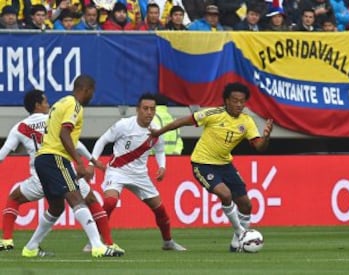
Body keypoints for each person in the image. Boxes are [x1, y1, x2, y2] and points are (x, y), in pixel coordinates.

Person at [150, 83, 273, 252]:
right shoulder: (212, 114)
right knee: (225, 194)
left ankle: (235, 244)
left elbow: (259, 146)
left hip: (225, 164)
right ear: (226, 101)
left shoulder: (247, 121)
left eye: (242, 101)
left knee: (246, 205)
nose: (238, 104)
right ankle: (241, 233)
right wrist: (159, 132)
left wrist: (266, 137)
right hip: (203, 163)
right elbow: (181, 121)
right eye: (235, 100)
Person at [0, 89, 121, 253]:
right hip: (60, 166)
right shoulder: (53, 119)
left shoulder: (20, 127)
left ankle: (12, 241)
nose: (48, 105)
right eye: (45, 102)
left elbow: (3, 154)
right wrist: (91, 161)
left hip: (40, 175)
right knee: (88, 200)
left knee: (25, 199)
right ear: (37, 105)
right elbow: (75, 144)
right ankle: (104, 244)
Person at [91, 93, 186, 251]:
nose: (149, 112)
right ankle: (94, 240)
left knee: (160, 210)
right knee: (109, 202)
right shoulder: (124, 125)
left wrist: (162, 166)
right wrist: (93, 160)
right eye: (145, 108)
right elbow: (103, 140)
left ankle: (168, 242)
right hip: (117, 171)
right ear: (138, 110)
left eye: (152, 109)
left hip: (140, 175)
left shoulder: (156, 128)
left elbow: (160, 150)